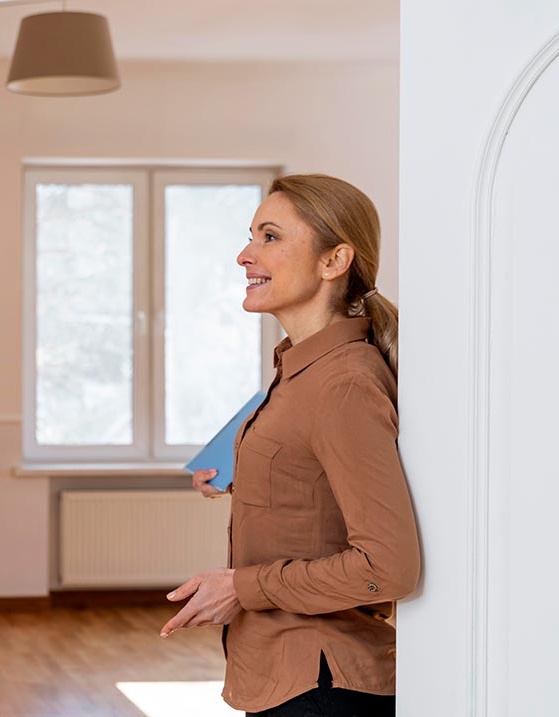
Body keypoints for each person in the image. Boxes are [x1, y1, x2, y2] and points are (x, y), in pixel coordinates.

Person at [160, 174, 420, 716]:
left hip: (322, 686)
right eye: (251, 235)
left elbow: (387, 566)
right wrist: (240, 470)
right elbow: (312, 468)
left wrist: (241, 587)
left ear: (334, 261)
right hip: (284, 673)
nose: (243, 255)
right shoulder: (299, 367)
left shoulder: (342, 383)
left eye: (270, 237)